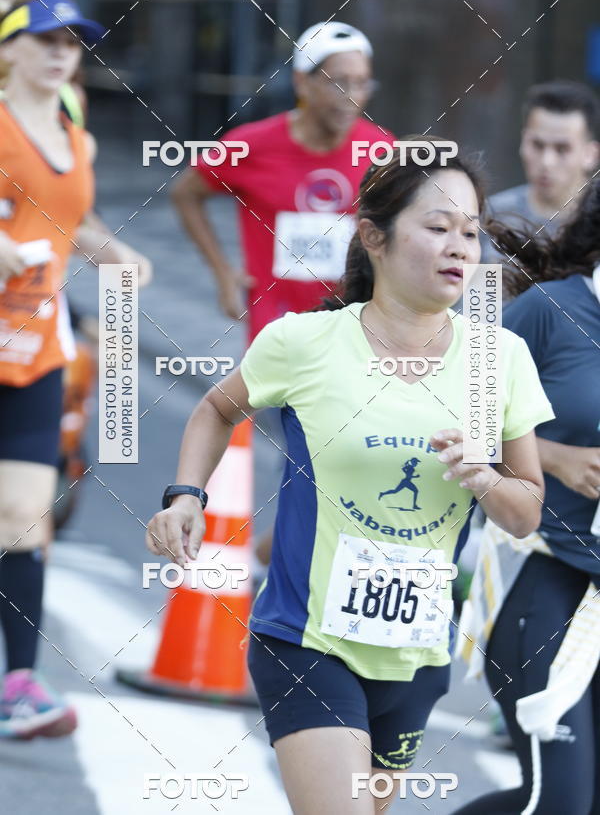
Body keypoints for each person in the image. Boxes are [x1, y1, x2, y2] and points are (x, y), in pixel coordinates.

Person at [146, 140, 555, 813]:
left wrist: (482, 477)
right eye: (437, 227)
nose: (460, 247)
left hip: (417, 653)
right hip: (307, 639)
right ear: (374, 236)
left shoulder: (499, 359)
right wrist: (188, 496)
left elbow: (526, 513)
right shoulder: (303, 342)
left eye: (471, 232)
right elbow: (216, 410)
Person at [0, 0, 150, 740]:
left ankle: (20, 684)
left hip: (36, 351)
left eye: (73, 42)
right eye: (48, 39)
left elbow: (70, 221)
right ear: (9, 48)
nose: (64, 52)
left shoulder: (75, 132)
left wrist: (114, 252)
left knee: (26, 515)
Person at [454, 182, 600, 814]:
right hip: (541, 584)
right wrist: (554, 458)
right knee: (558, 804)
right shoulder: (548, 311)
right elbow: (454, 421)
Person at [172, 20, 393, 344]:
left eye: (362, 83)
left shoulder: (381, 148)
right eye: (338, 83)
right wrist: (223, 273)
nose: (352, 96)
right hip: (276, 334)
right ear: (302, 82)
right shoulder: (251, 145)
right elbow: (185, 194)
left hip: (353, 332)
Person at [483, 80, 600, 263]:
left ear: (590, 155)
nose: (547, 162)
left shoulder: (595, 223)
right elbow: (481, 292)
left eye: (562, 149)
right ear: (523, 142)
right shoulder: (493, 217)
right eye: (537, 145)